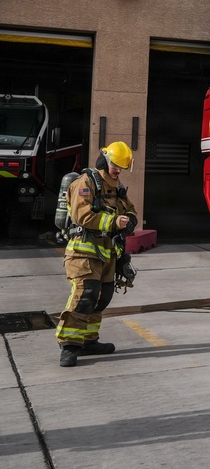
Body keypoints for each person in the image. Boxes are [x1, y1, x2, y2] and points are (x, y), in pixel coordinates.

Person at [54, 141, 138, 367]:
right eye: (116, 165)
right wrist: (113, 221)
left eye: (121, 167)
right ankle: (69, 345)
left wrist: (130, 220)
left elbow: (129, 209)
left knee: (103, 296)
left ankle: (89, 341)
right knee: (85, 295)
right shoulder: (86, 183)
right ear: (106, 160)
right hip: (84, 251)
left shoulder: (116, 185)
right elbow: (82, 216)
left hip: (108, 253)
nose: (118, 171)